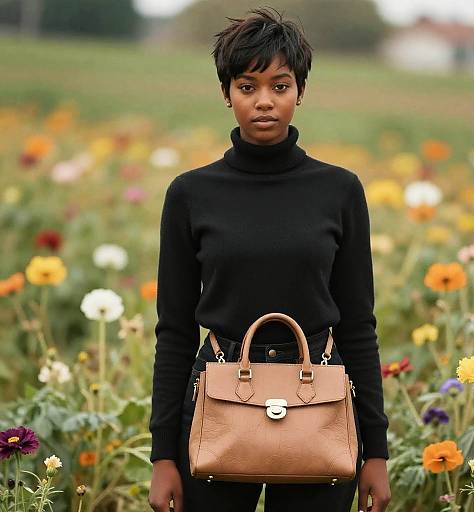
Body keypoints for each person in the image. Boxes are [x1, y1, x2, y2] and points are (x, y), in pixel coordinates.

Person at [148, 7, 391, 512]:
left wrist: (377, 452)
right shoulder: (191, 194)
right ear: (226, 93)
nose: (264, 101)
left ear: (300, 91)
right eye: (246, 85)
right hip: (216, 403)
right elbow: (173, 330)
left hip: (321, 404)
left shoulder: (339, 190)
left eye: (280, 86)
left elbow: (359, 326)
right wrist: (162, 457)